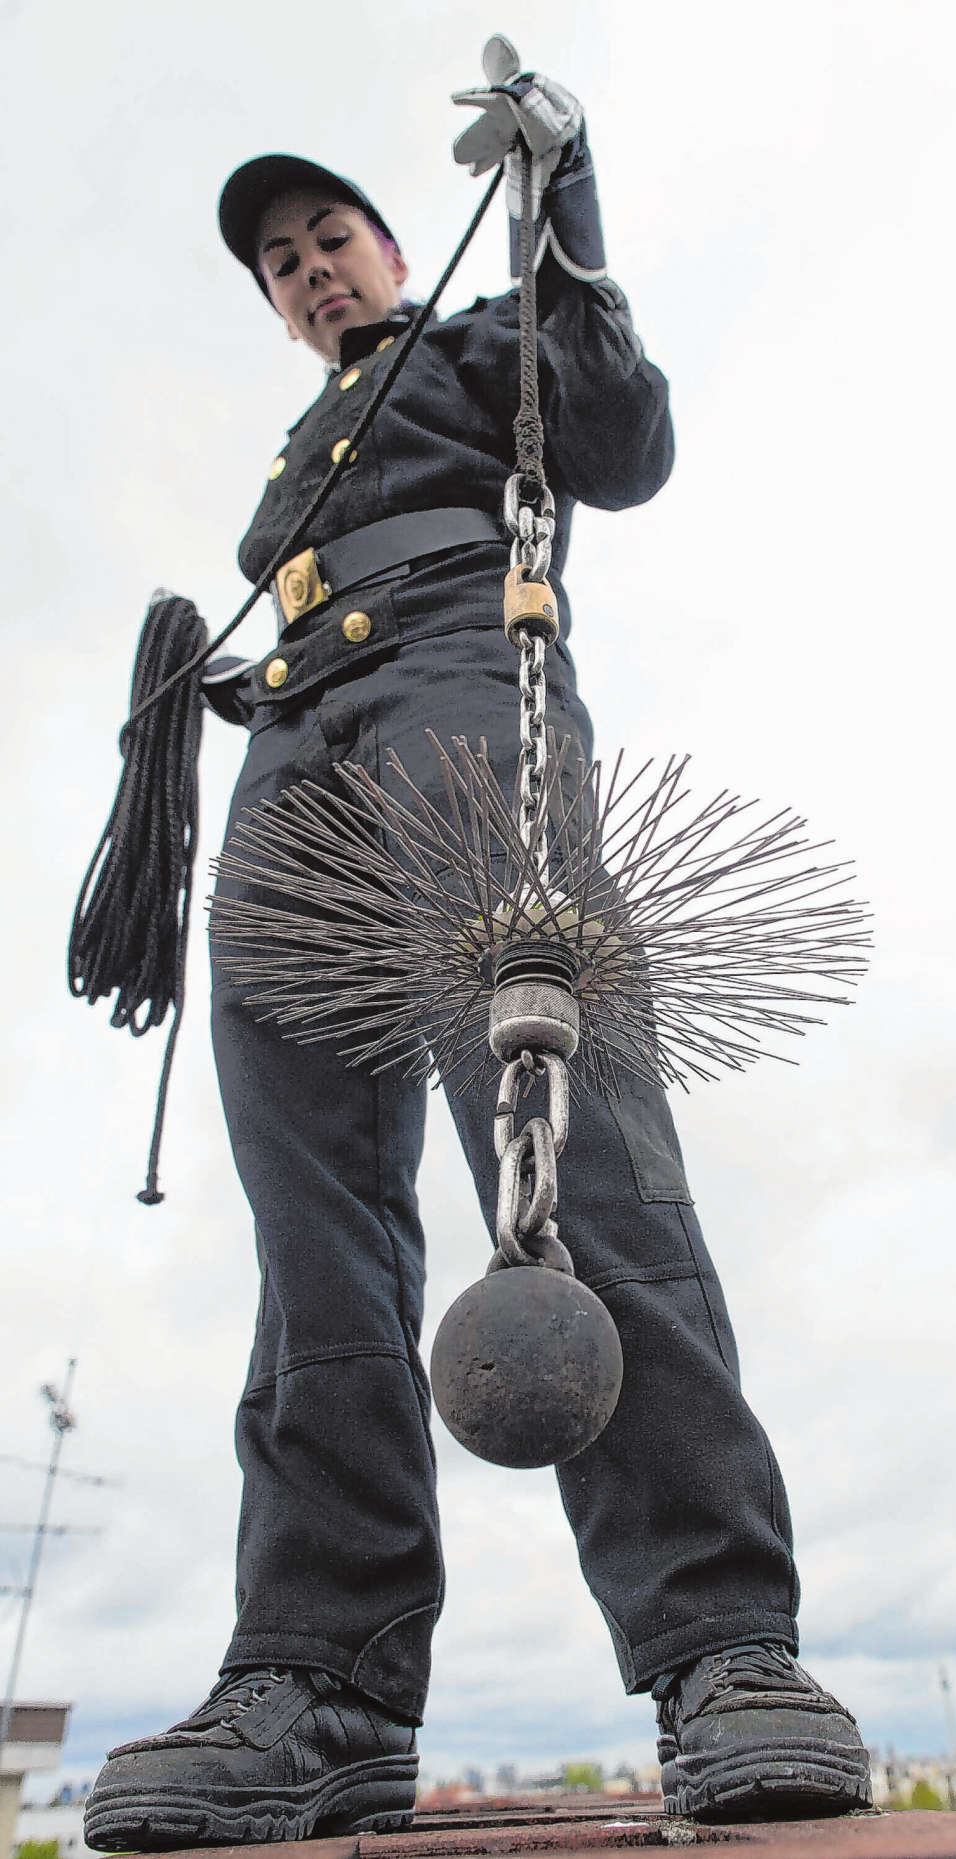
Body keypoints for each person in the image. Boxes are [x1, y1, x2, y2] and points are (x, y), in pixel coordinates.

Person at [83, 46, 871, 1852]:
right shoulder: (293, 458)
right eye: (279, 263)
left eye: (327, 234)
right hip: (291, 753)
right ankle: (321, 1683)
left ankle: (725, 1645)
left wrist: (559, 198)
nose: (310, 269)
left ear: (382, 234)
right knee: (310, 1231)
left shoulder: (475, 340)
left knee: (569, 1133)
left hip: (463, 692)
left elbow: (623, 439)